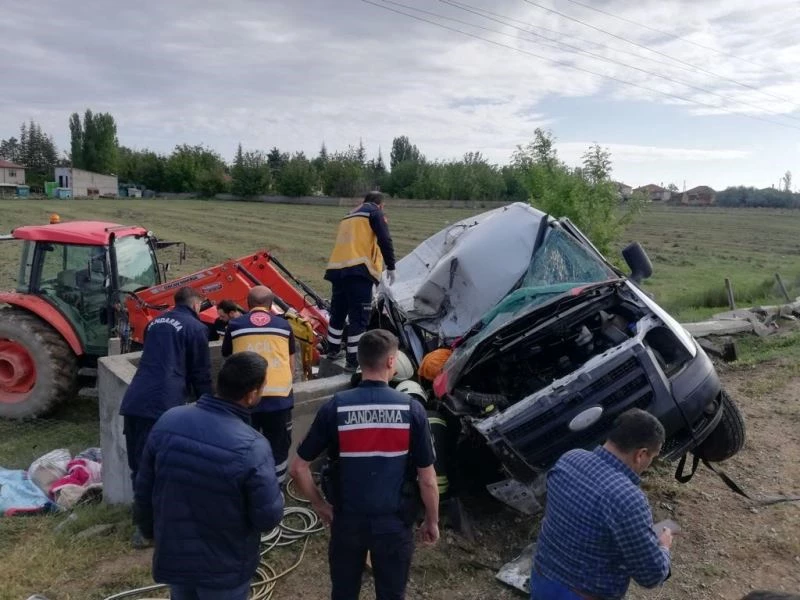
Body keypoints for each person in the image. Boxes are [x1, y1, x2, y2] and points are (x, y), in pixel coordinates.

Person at [290, 329, 440, 600]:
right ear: (392, 362)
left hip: (347, 522)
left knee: (344, 592)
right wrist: (432, 521)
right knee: (392, 593)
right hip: (394, 524)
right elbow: (427, 479)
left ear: (360, 360)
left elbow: (298, 467)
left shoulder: (336, 406)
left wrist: (320, 505)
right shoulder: (411, 410)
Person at [134, 352, 284, 600]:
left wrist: (149, 531)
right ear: (252, 394)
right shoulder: (253, 446)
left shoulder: (169, 420)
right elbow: (267, 517)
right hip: (224, 568)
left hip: (176, 557)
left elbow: (144, 487)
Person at [531, 409, 672, 600]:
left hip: (541, 579)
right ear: (641, 454)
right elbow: (651, 576)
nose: (649, 464)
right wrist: (663, 546)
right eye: (652, 458)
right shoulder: (627, 498)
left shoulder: (570, 458)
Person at [119, 286, 212, 545]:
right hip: (164, 404)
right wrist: (209, 405)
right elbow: (200, 372)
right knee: (163, 466)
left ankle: (141, 526)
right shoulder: (196, 329)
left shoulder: (155, 322)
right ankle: (160, 526)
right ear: (196, 304)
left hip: (136, 399)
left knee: (139, 465)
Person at [222, 286, 296, 484]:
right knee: (278, 448)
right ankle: (276, 490)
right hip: (279, 400)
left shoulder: (235, 325)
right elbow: (291, 362)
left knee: (244, 446)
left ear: (248, 303)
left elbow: (228, 357)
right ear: (271, 305)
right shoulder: (284, 326)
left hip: (245, 398)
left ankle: (247, 487)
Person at [324, 191, 396, 370]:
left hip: (337, 269)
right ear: (381, 204)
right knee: (359, 317)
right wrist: (391, 265)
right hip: (359, 271)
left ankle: (332, 350)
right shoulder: (374, 213)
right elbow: (384, 239)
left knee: (338, 313)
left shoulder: (349, 215)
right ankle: (353, 360)